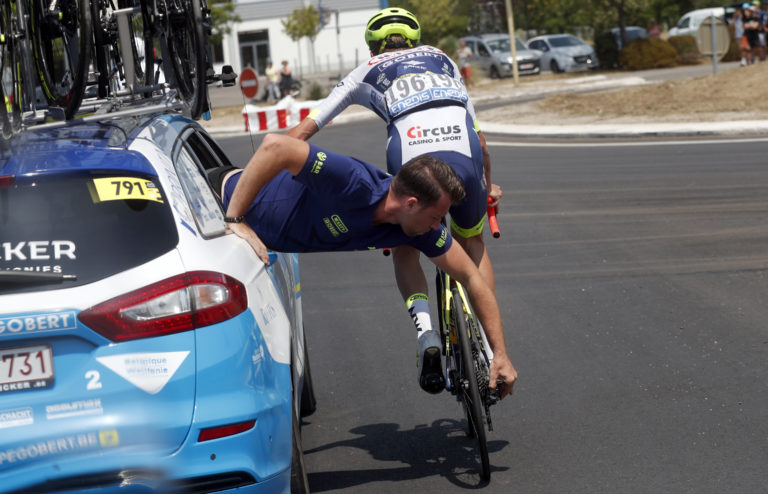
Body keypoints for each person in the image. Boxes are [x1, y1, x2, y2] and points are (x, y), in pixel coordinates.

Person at [286, 7, 500, 395]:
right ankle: (489, 348)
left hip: (411, 157)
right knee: (471, 242)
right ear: (415, 40)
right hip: (464, 154)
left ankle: (426, 333)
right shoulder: (443, 59)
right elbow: (481, 141)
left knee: (407, 243)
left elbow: (305, 129)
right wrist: (489, 186)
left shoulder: (364, 71)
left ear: (373, 46)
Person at [215, 133, 518, 399]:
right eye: (437, 217)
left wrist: (500, 353)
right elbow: (276, 145)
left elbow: (472, 278)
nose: (439, 225)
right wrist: (235, 218)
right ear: (410, 203)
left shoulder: (414, 227)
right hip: (217, 199)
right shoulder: (352, 180)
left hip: (262, 239)